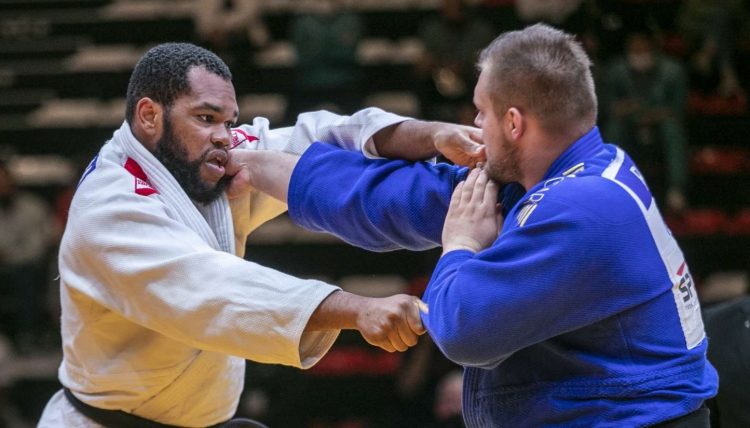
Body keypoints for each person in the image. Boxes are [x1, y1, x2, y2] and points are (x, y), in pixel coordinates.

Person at [231, 24, 718, 426]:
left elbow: (462, 331)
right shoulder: (551, 174)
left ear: (513, 123)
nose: (472, 124)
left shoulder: (584, 206)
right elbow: (398, 198)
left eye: (480, 113)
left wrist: (459, 245)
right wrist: (250, 163)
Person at [37, 42, 484, 427]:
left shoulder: (196, 161)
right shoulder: (110, 207)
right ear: (150, 115)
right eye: (206, 118)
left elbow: (322, 137)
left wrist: (433, 135)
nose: (224, 137)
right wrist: (357, 309)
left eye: (229, 122)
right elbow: (214, 288)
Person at [601, 30, 690, 212]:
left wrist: (654, 115)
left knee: (672, 130)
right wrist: (624, 109)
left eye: (644, 50)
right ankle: (608, 187)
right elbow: (608, 107)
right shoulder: (616, 70)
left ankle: (676, 190)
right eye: (635, 51)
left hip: (660, 123)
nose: (640, 55)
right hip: (628, 123)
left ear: (654, 51)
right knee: (613, 129)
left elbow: (678, 109)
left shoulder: (673, 72)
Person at [0, 160, 57, 354]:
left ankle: (28, 336)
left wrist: (9, 256)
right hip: (4, 267)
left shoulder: (32, 207)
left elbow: (38, 247)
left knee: (26, 276)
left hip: (29, 267)